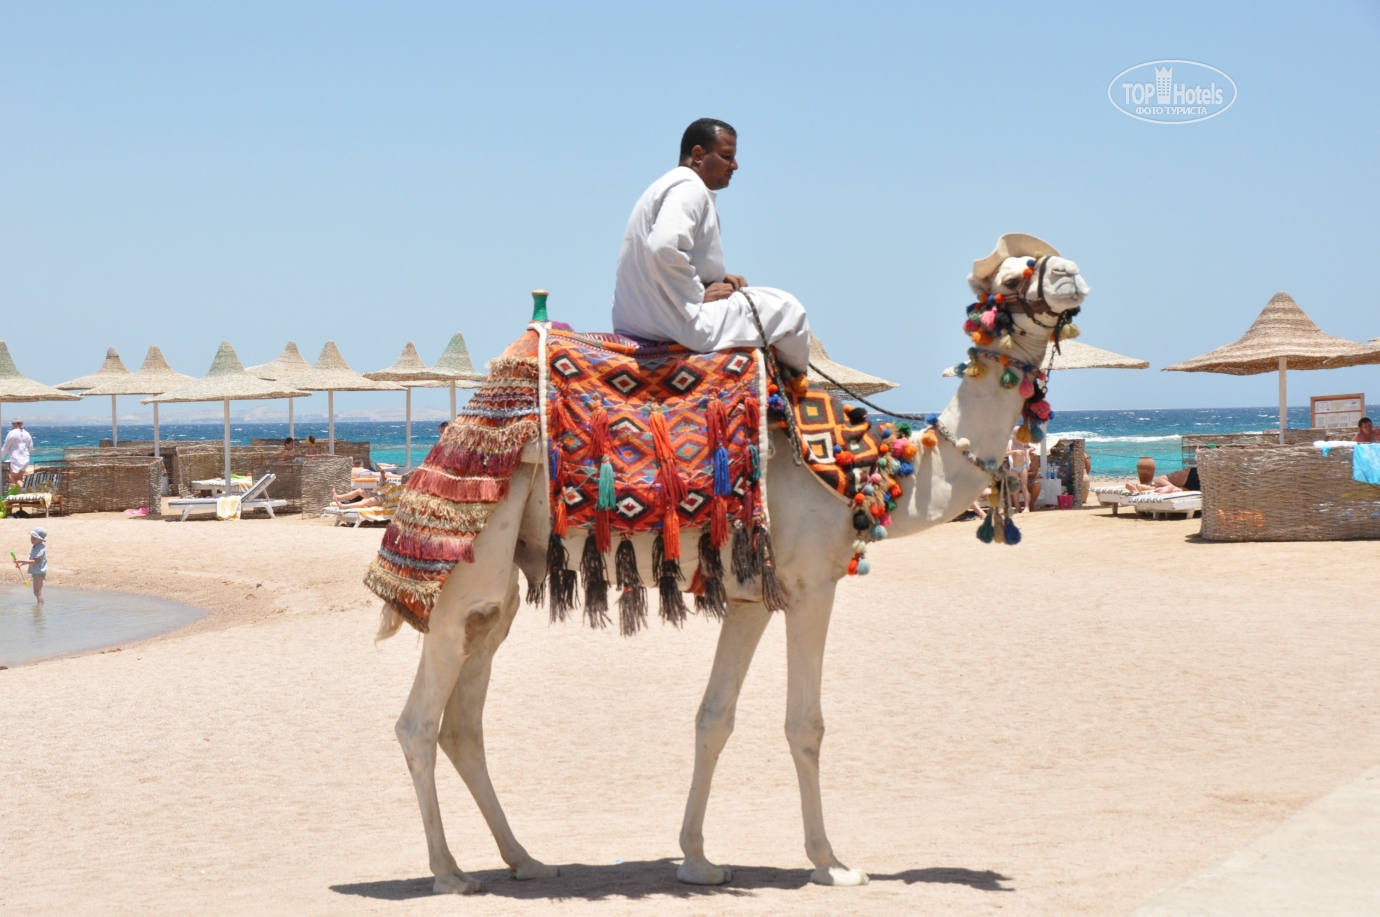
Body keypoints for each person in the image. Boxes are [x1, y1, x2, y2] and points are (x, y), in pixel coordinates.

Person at [612, 118, 812, 370]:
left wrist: (714, 277)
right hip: (675, 324)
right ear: (698, 155)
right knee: (788, 309)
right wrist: (697, 295)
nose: (735, 166)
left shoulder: (665, 186)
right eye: (727, 156)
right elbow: (664, 248)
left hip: (639, 319)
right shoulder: (689, 188)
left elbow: (667, 253)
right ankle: (796, 389)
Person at [14, 527, 47, 604]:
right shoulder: (35, 547)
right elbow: (31, 559)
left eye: (35, 538)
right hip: (37, 571)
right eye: (31, 537)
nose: (32, 539)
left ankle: (39, 609)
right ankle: (39, 608)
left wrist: (21, 560)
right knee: (37, 591)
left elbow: (35, 561)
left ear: (41, 539)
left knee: (37, 591)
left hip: (39, 571)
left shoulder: (41, 548)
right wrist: (21, 564)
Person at [2, 419, 34, 487]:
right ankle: (21, 493)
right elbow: (30, 447)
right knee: (20, 479)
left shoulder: (12, 433)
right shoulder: (27, 433)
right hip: (25, 458)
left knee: (15, 479)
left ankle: (27, 491)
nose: (12, 425)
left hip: (15, 459)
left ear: (15, 424)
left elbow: (5, 448)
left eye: (12, 424)